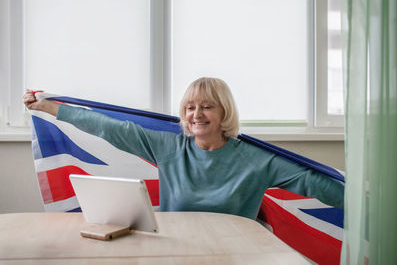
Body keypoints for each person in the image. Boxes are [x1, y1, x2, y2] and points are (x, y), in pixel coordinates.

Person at [24, 77, 344, 220]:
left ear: (224, 113)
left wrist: (364, 201)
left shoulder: (257, 159)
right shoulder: (168, 146)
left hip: (241, 250)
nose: (196, 114)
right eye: (190, 107)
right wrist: (49, 108)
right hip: (180, 247)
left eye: (207, 106)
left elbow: (312, 182)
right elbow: (109, 128)